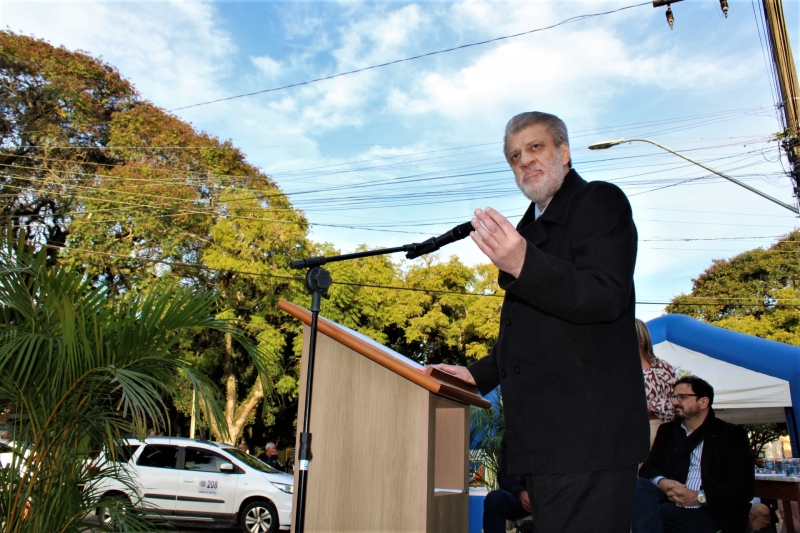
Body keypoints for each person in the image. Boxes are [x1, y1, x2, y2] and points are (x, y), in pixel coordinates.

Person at [435, 111, 649, 532]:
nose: (525, 161)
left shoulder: (599, 201)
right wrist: (477, 376)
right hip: (546, 444)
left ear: (564, 152)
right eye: (515, 156)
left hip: (589, 439)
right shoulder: (528, 230)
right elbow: (529, 333)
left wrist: (523, 262)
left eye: (536, 147)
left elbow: (605, 296)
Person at [633, 375, 755, 533]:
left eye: (682, 397)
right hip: (669, 499)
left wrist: (699, 497)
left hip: (710, 511)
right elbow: (648, 468)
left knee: (649, 514)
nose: (676, 402)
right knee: (639, 486)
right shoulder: (667, 432)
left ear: (703, 402)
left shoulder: (730, 434)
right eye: (674, 397)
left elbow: (744, 488)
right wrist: (662, 482)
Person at [637, 318, 677, 446]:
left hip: (655, 428)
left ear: (641, 340)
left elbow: (676, 399)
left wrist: (651, 406)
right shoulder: (616, 368)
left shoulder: (661, 368)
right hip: (624, 430)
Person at [483, 436, 533, 533]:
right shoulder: (513, 433)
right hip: (525, 497)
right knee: (494, 500)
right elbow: (503, 475)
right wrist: (521, 493)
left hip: (557, 494)